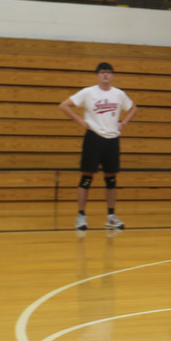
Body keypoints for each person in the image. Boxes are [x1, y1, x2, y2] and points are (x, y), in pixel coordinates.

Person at [59, 62, 137, 231]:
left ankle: (111, 216)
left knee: (111, 179)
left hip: (112, 139)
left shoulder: (119, 94)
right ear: (97, 75)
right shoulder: (89, 92)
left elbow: (133, 108)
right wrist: (79, 120)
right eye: (102, 72)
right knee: (87, 177)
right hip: (94, 138)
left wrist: (123, 123)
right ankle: (81, 216)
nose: (105, 75)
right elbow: (64, 105)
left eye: (108, 72)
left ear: (112, 75)